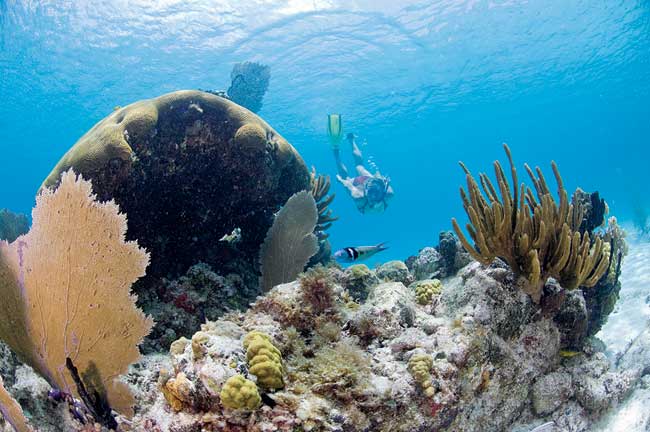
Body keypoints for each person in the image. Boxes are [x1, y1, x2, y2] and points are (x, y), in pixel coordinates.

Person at [328, 114, 394, 214]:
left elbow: (347, 185)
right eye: (372, 194)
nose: (373, 199)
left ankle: (345, 144)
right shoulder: (360, 196)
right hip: (363, 183)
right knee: (352, 171)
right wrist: (342, 181)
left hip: (369, 182)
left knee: (355, 168)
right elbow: (348, 185)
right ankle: (338, 148)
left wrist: (341, 181)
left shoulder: (360, 197)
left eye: (374, 195)